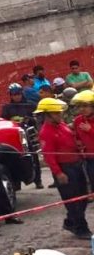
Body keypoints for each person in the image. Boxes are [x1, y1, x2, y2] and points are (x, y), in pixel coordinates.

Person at [37, 97, 91, 239]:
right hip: (65, 169)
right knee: (73, 201)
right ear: (47, 115)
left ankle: (70, 221)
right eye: (56, 113)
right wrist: (58, 173)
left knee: (83, 197)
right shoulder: (46, 132)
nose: (60, 115)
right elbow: (49, 156)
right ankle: (81, 228)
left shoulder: (61, 125)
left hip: (77, 164)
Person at [1, 83, 43, 189]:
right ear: (10, 95)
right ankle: (17, 183)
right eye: (14, 94)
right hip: (14, 137)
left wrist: (29, 120)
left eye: (18, 94)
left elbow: (37, 120)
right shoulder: (7, 108)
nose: (17, 96)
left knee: (34, 158)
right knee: (15, 159)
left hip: (29, 136)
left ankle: (38, 180)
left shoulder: (30, 105)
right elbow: (4, 121)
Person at [71, 90, 94, 196]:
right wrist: (78, 142)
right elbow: (76, 136)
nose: (82, 109)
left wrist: (90, 130)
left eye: (85, 106)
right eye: (80, 106)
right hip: (88, 158)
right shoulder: (77, 121)